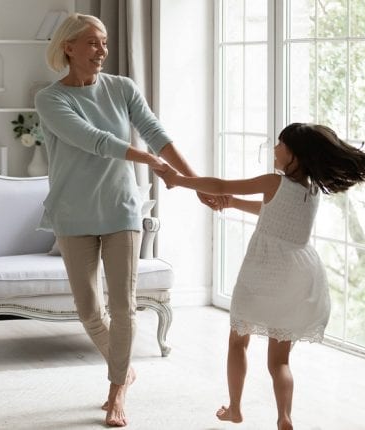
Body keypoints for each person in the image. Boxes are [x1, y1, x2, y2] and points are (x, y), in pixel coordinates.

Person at [34, 13, 218, 427]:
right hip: (72, 212)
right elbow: (93, 140)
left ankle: (117, 389)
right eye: (93, 43)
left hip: (121, 209)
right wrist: (149, 161)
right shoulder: (49, 99)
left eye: (104, 43)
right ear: (69, 47)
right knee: (88, 310)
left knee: (124, 307)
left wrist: (191, 180)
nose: (102, 51)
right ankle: (123, 367)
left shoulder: (122, 88)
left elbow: (154, 130)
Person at [159, 123, 365, 429]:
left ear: (295, 154)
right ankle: (284, 417)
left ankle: (235, 408)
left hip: (262, 272)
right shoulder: (312, 190)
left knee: (238, 342)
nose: (275, 148)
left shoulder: (272, 182)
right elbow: (272, 211)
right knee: (280, 361)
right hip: (298, 275)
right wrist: (234, 204)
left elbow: (221, 184)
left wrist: (179, 179)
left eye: (280, 143)